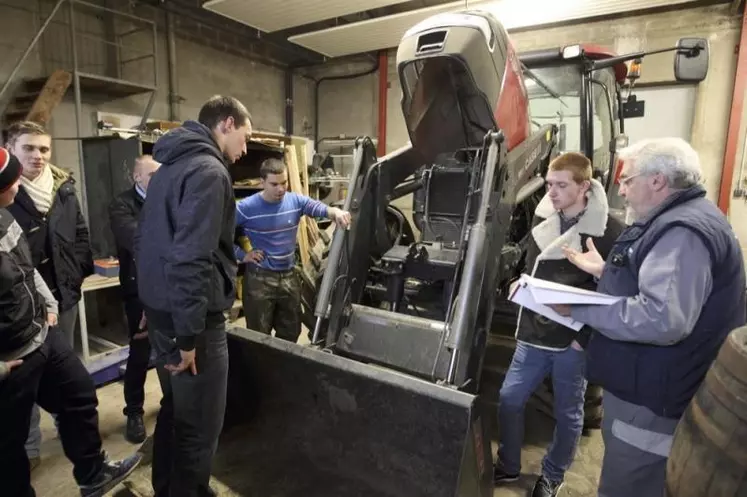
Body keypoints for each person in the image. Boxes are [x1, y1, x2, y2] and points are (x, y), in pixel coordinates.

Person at [554, 138, 747, 497]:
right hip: (648, 386)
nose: (622, 191)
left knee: (628, 484)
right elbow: (655, 286)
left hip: (652, 396)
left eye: (628, 181)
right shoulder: (680, 219)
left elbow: (663, 318)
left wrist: (581, 308)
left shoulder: (681, 231)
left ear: (657, 180)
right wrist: (606, 273)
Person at [0, 146, 142, 497]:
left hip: (41, 333)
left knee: (79, 395)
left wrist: (47, 303)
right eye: (11, 182)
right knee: (7, 447)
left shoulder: (4, 215)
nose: (18, 187)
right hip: (9, 356)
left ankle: (92, 473)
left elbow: (26, 268)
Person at [135, 95, 252, 497]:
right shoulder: (209, 172)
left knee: (175, 412)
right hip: (194, 324)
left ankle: (167, 488)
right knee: (199, 430)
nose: (246, 149)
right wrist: (187, 337)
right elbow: (189, 258)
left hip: (164, 310)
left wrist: (153, 306)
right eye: (245, 137)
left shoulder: (170, 167)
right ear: (227, 124)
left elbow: (149, 241)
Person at [493, 152, 625, 497]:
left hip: (572, 339)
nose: (551, 192)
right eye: (549, 184)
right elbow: (531, 266)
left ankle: (552, 474)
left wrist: (585, 337)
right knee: (509, 399)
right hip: (533, 332)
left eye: (561, 185)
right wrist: (518, 283)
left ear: (584, 186)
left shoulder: (609, 231)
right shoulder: (542, 219)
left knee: (568, 413)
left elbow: (617, 294)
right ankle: (508, 464)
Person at [5, 120, 94, 470]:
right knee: (24, 377)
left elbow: (81, 233)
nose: (38, 156)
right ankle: (28, 447)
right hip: (20, 305)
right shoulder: (7, 191)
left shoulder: (64, 187)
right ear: (11, 149)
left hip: (63, 294)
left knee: (65, 366)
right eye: (28, 148)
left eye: (44, 148)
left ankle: (65, 427)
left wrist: (76, 276)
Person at [235, 158, 351, 342]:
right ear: (262, 182)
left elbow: (315, 206)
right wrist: (242, 255)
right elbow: (217, 234)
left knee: (291, 332)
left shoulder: (294, 201)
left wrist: (334, 212)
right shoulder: (245, 208)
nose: (281, 189)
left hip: (289, 276)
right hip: (259, 279)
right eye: (274, 184)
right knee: (258, 335)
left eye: (284, 183)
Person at [109, 155, 161, 444]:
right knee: (140, 353)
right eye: (152, 174)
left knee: (171, 350)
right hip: (138, 290)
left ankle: (172, 405)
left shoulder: (167, 200)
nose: (158, 179)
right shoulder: (121, 205)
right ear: (137, 178)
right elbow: (137, 239)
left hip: (166, 286)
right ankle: (134, 412)